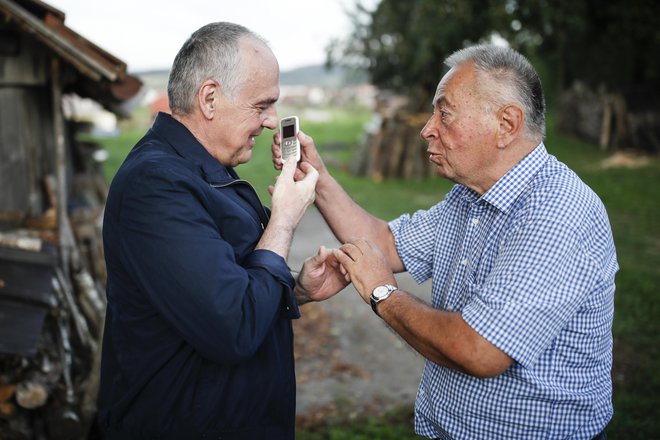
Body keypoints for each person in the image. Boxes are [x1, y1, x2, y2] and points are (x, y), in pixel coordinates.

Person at [277, 44, 617, 439]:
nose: (427, 128)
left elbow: (480, 350)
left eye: (445, 112)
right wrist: (318, 175)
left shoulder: (557, 212)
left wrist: (383, 293)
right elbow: (383, 243)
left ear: (506, 124)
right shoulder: (470, 196)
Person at [98, 22, 345, 439]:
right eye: (261, 105)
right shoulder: (155, 184)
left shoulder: (205, 169)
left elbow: (227, 281)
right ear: (209, 98)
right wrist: (283, 218)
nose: (270, 122)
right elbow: (233, 325)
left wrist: (295, 288)